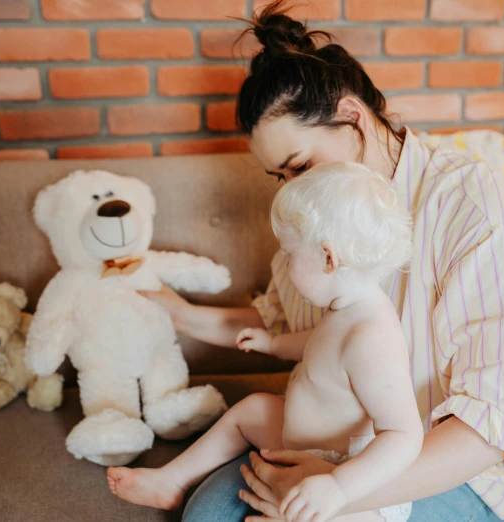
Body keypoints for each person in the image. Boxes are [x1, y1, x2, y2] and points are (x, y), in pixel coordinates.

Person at [142, 2, 504, 521]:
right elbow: (280, 318)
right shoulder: (320, 212)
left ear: (353, 118)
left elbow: (489, 429)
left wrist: (342, 488)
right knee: (208, 514)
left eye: (300, 166)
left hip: (453, 465)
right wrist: (175, 312)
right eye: (280, 177)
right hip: (338, 445)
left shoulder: (477, 207)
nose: (295, 189)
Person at [108, 162, 423, 522]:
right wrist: (273, 344)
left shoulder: (372, 337)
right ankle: (171, 480)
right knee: (253, 408)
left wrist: (339, 487)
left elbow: (403, 435)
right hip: (309, 443)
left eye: (289, 254)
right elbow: (319, 345)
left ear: (328, 257)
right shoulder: (347, 306)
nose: (285, 263)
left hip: (346, 472)